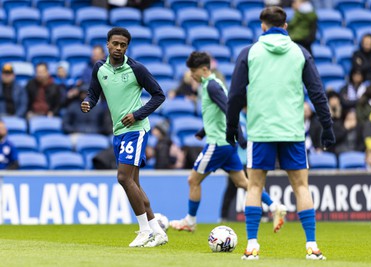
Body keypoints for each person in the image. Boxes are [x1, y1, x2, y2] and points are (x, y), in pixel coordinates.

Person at [226, 7, 335, 260]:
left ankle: (252, 245)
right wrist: (327, 128)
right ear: (285, 26)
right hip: (292, 131)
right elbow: (317, 93)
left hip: (261, 131)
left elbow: (235, 96)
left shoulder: (250, 52)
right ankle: (312, 246)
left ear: (262, 26)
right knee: (301, 187)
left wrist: (232, 126)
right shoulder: (300, 52)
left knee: (254, 185)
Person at [169, 52, 287, 233]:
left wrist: (240, 137)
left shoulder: (211, 87)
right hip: (226, 144)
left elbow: (228, 110)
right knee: (243, 183)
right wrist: (203, 131)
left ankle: (190, 221)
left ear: (204, 69)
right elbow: (217, 114)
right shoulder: (215, 84)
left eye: (193, 71)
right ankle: (274, 206)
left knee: (193, 180)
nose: (191, 76)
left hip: (218, 144)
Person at [81, 27, 167, 247]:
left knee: (123, 178)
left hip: (136, 130)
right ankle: (158, 232)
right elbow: (94, 93)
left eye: (123, 45)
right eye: (115, 44)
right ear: (107, 44)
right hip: (119, 132)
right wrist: (88, 103)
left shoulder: (136, 68)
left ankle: (145, 230)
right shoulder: (99, 68)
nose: (118, 48)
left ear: (127, 46)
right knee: (134, 183)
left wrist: (137, 114)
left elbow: (159, 95)